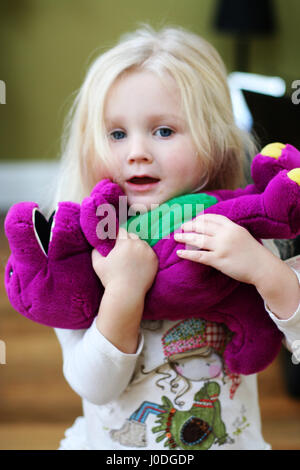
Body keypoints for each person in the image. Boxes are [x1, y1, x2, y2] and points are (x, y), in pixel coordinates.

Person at [52, 25, 300, 450]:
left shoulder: (244, 233)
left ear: (216, 141)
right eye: (116, 134)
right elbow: (94, 386)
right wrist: (123, 291)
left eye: (164, 131)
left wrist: (265, 272)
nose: (137, 152)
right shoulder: (80, 255)